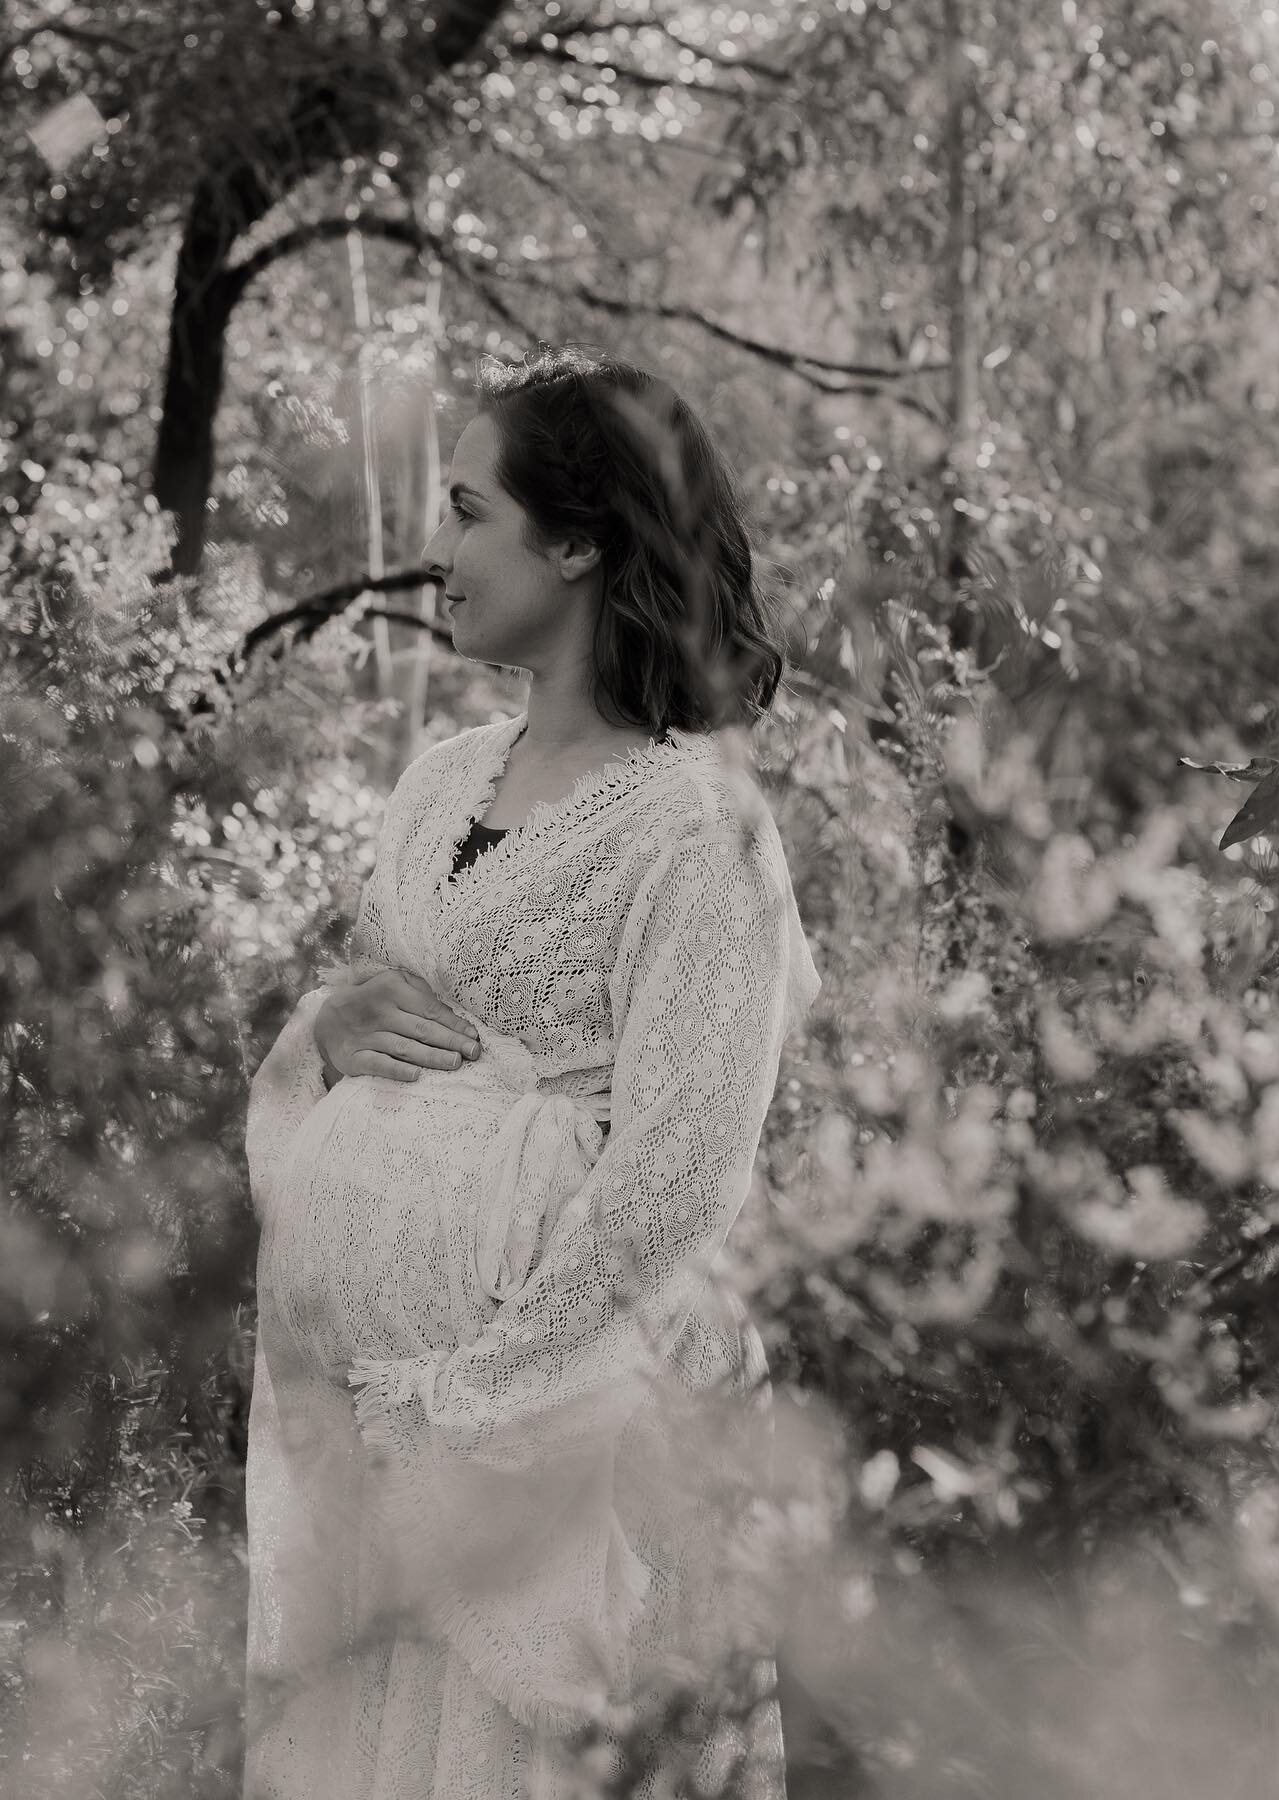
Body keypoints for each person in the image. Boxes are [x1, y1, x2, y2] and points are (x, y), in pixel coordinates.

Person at [242, 344, 823, 1800]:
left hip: (555, 1449)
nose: (438, 555)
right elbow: (382, 1040)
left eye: (468, 512)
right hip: (372, 1444)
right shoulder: (439, 782)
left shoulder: (700, 833)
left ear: (576, 541)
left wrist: (468, 1403)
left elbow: (683, 1176)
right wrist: (321, 1036)